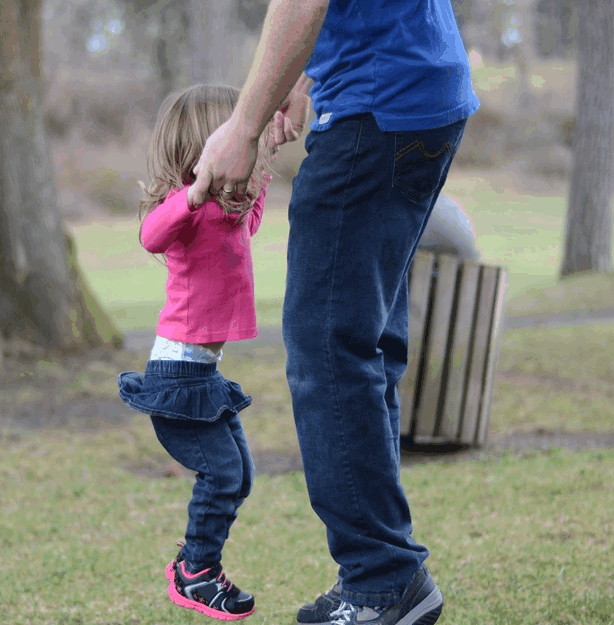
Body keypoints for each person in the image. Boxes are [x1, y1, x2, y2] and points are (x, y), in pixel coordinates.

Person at [187, 2, 480, 625]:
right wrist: (298, 78)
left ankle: (382, 581)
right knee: (362, 345)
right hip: (418, 90)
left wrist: (244, 125)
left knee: (328, 349)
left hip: (376, 105)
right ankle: (386, 576)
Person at [117, 83, 280, 621]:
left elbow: (249, 219)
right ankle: (197, 573)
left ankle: (193, 564)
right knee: (224, 476)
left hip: (203, 374)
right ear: (205, 145)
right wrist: (191, 195)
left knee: (243, 477)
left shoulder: (226, 213)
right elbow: (149, 235)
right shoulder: (183, 212)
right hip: (176, 375)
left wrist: (267, 157)